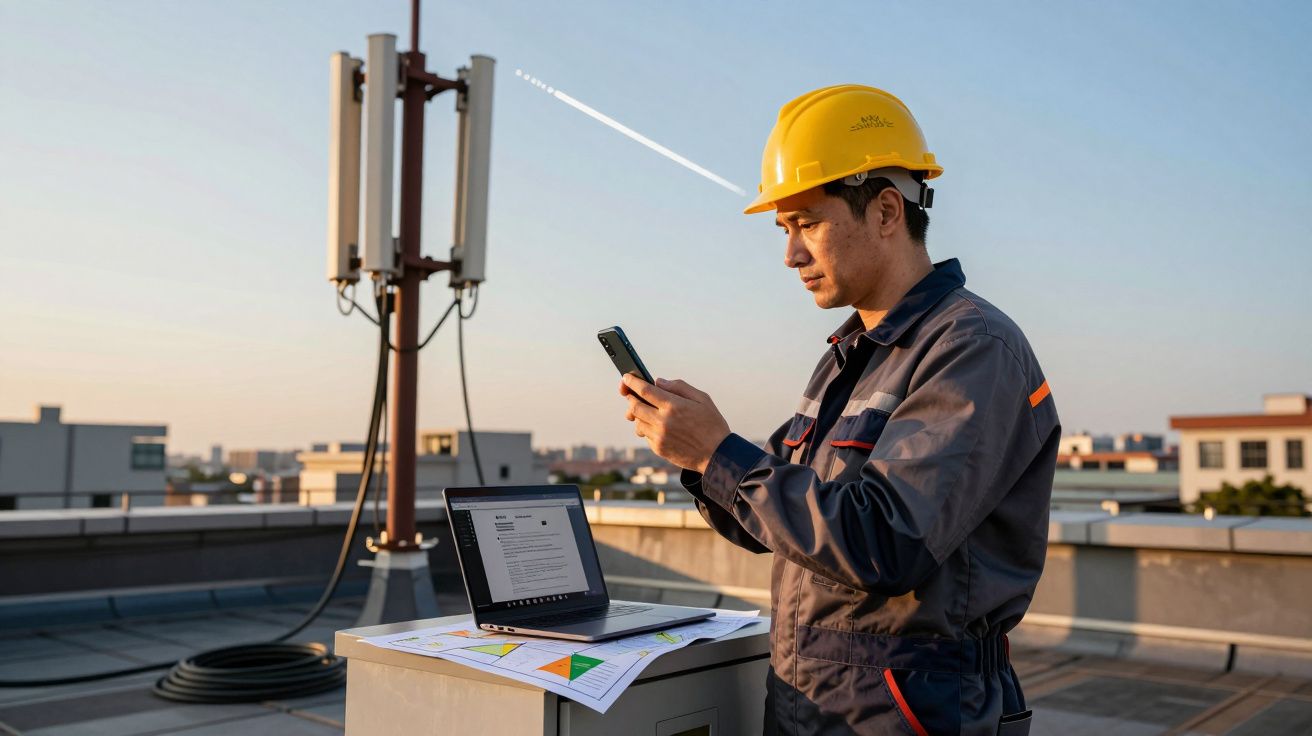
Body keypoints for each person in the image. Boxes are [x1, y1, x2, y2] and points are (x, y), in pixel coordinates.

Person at [618, 85, 1058, 735]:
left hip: (909, 713)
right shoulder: (848, 357)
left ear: (885, 211)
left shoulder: (973, 348)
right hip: (810, 703)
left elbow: (888, 543)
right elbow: (768, 523)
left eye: (807, 223)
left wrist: (718, 452)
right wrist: (698, 457)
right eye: (784, 230)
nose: (790, 254)